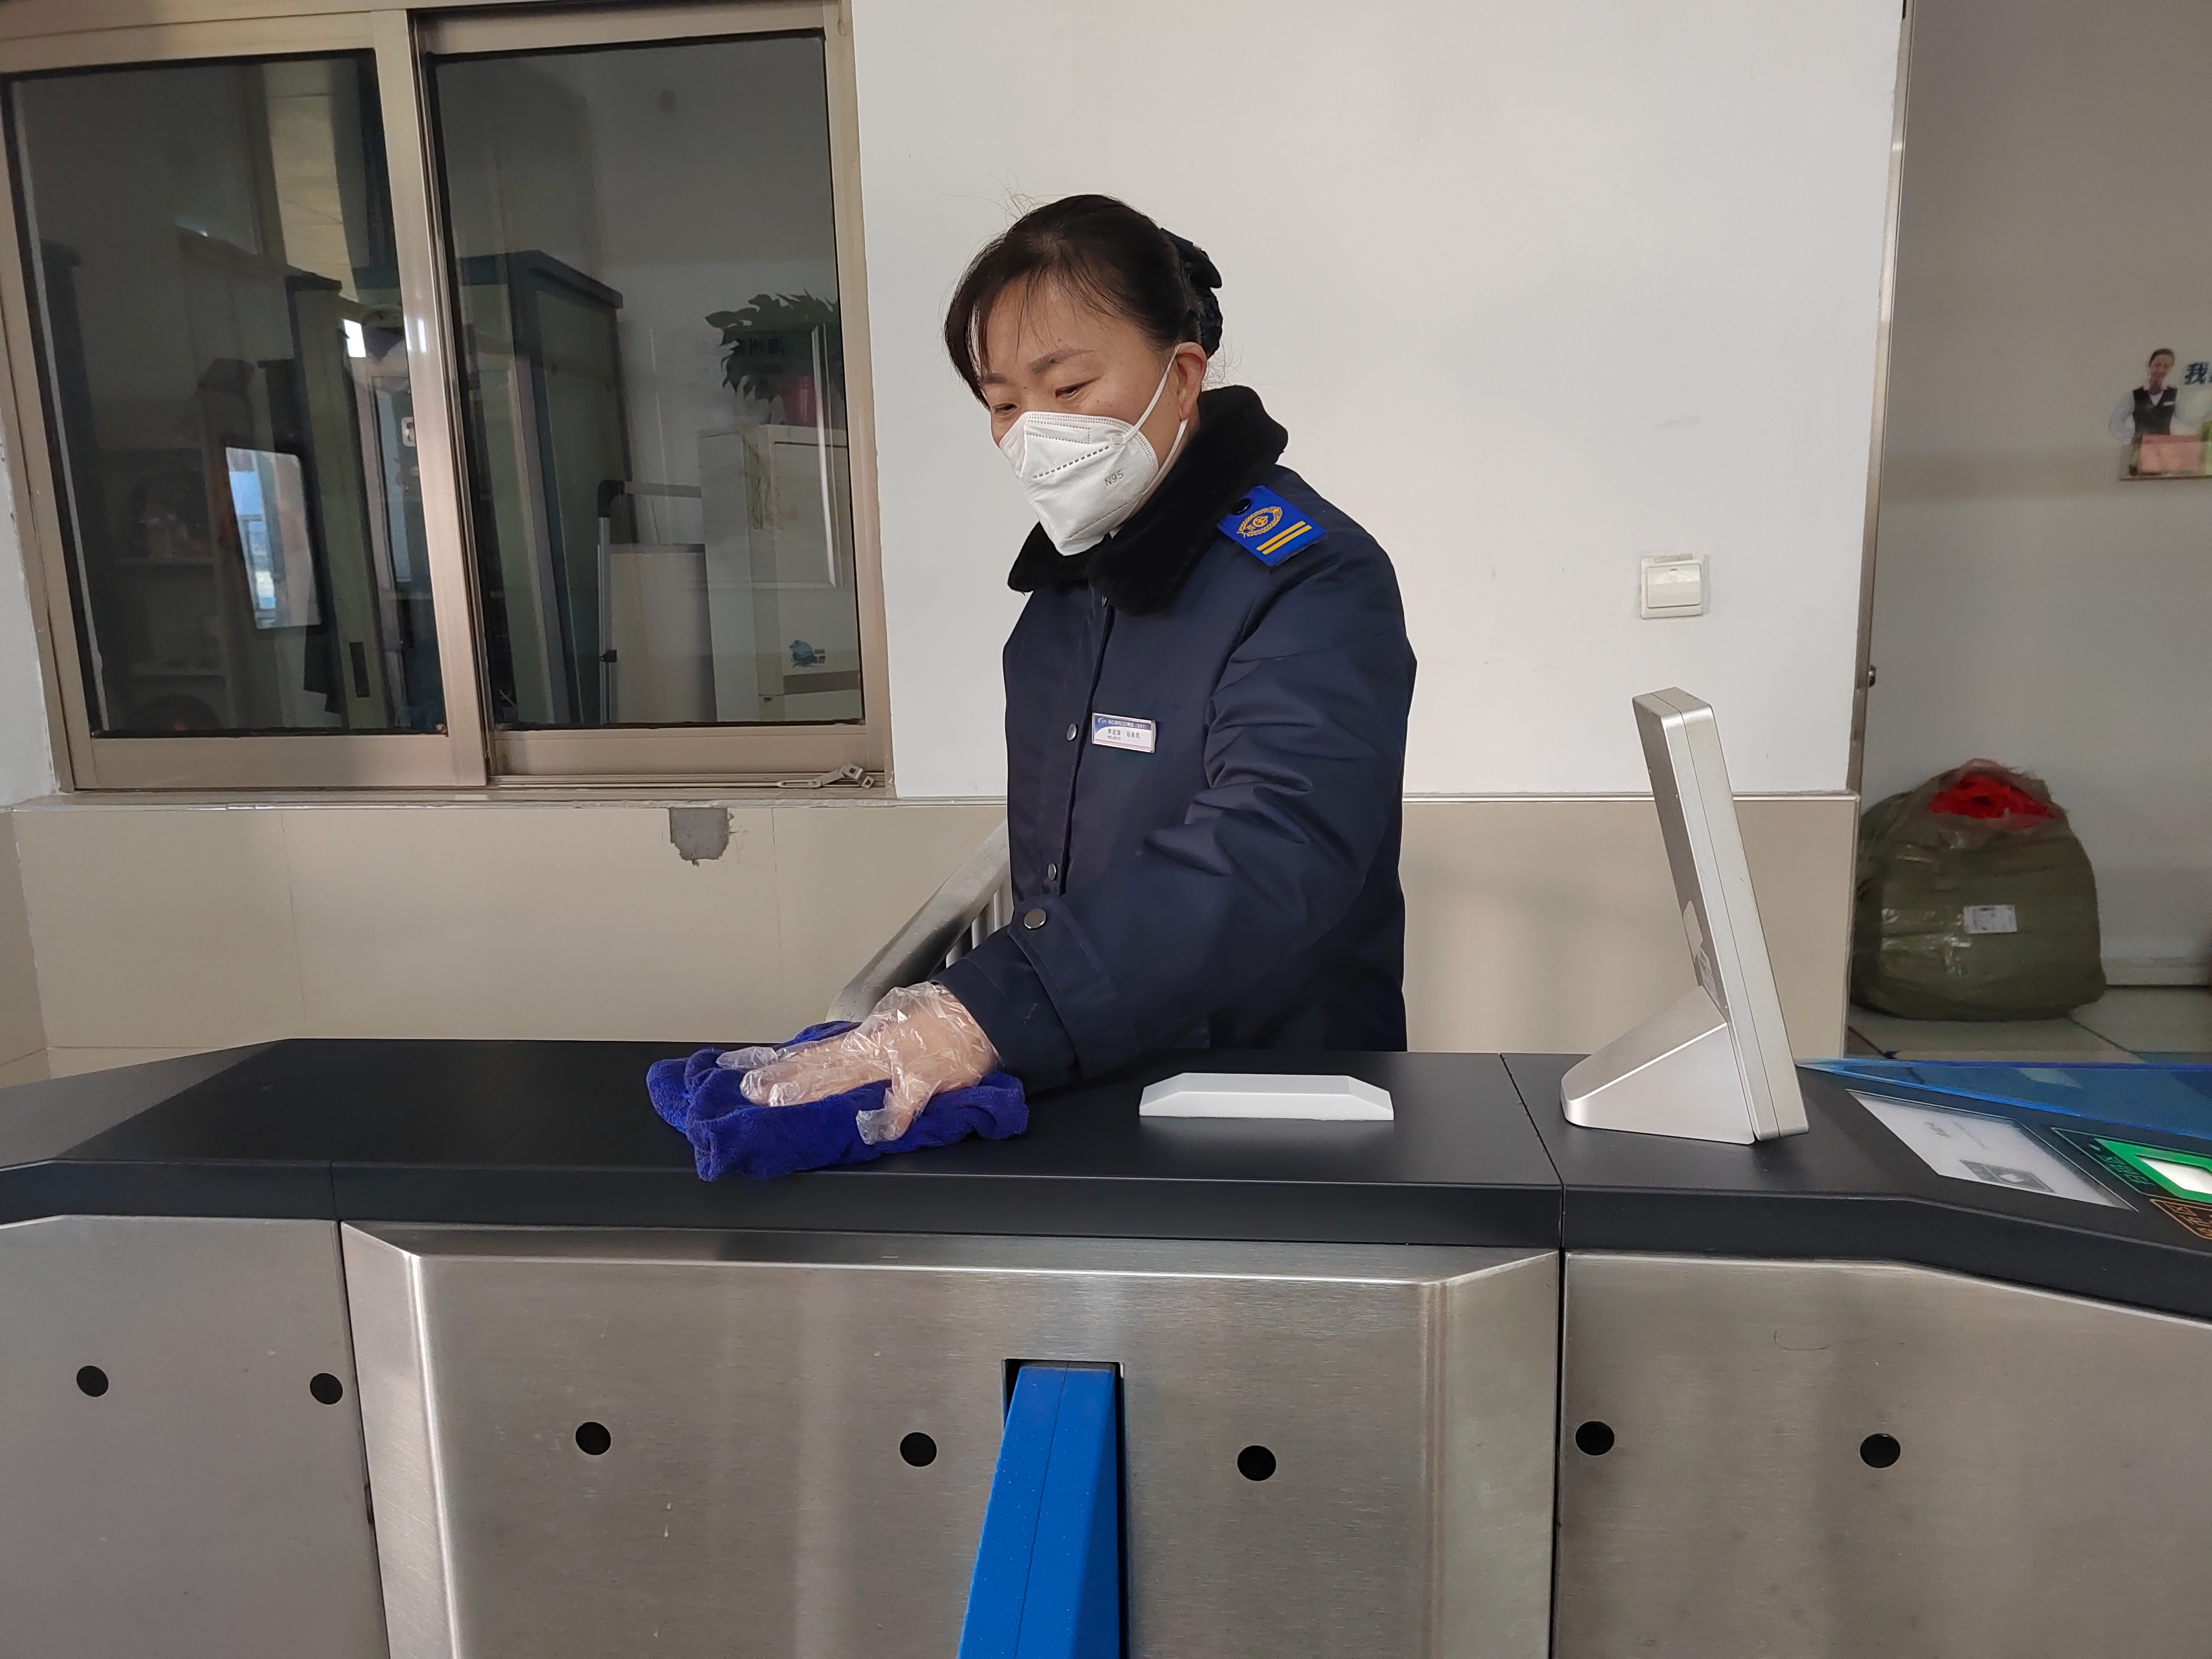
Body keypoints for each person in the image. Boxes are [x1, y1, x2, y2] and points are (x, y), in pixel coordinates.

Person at [741, 195, 1416, 1141]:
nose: (1034, 431)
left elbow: (1279, 838)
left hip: (1265, 1096)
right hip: (1086, 1073)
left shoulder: (1308, 576)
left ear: (1182, 377)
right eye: (1003, 403)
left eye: (1066, 387)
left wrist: (991, 1009)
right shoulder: (1066, 594)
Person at [2109, 348, 2179, 441]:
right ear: (2149, 365)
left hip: (2166, 447)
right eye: (2157, 365)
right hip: (2141, 447)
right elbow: (2116, 422)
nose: (2160, 370)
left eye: (2166, 367)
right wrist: (2131, 437)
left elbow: (2185, 421)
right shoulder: (2133, 395)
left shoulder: (2176, 395)